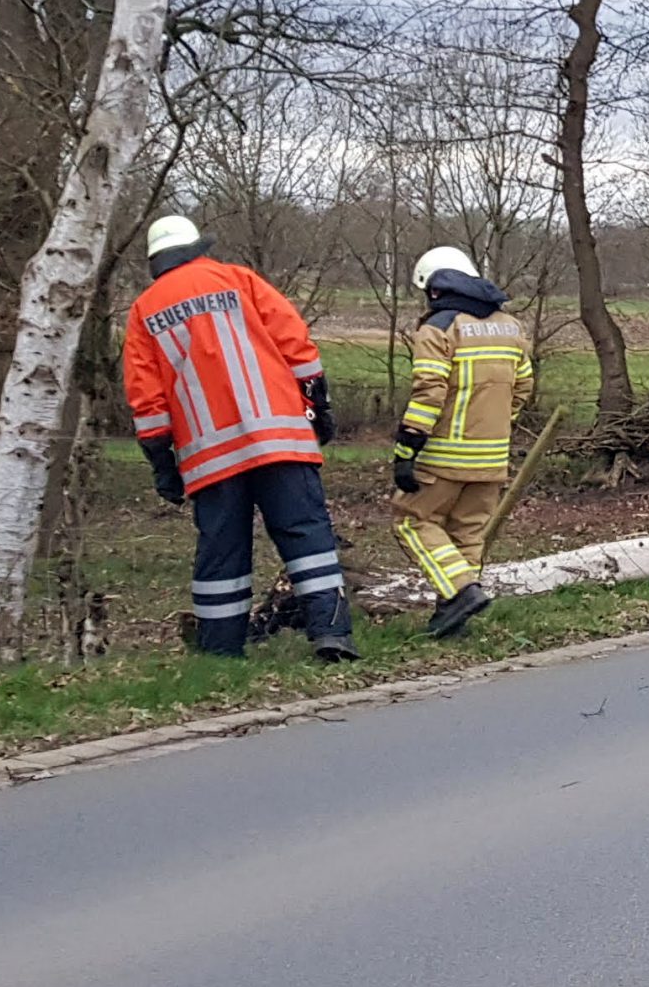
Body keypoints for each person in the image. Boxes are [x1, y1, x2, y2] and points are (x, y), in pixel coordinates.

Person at [122, 216, 359, 661]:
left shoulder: (144, 311)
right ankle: (332, 634)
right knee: (306, 536)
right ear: (197, 246)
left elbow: (146, 399)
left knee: (222, 555)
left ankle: (220, 653)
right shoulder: (240, 280)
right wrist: (318, 407)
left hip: (210, 457)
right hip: (281, 439)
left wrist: (162, 465)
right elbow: (296, 346)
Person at [391, 246, 535, 638]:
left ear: (435, 289)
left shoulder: (439, 328)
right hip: (493, 458)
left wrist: (407, 448)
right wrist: (496, 427)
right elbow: (523, 386)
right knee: (467, 535)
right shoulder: (511, 326)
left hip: (443, 455)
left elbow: (429, 392)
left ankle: (459, 593)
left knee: (412, 521)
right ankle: (454, 621)